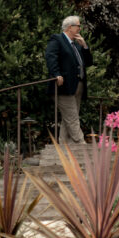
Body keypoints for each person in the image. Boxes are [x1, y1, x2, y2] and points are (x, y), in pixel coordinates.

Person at [45, 16, 93, 144]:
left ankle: (63, 146)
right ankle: (82, 145)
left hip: (78, 85)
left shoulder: (76, 45)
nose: (80, 28)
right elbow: (50, 57)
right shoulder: (57, 39)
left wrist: (84, 46)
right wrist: (56, 73)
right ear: (70, 27)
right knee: (72, 118)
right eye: (78, 26)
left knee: (70, 118)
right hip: (63, 86)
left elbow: (88, 62)